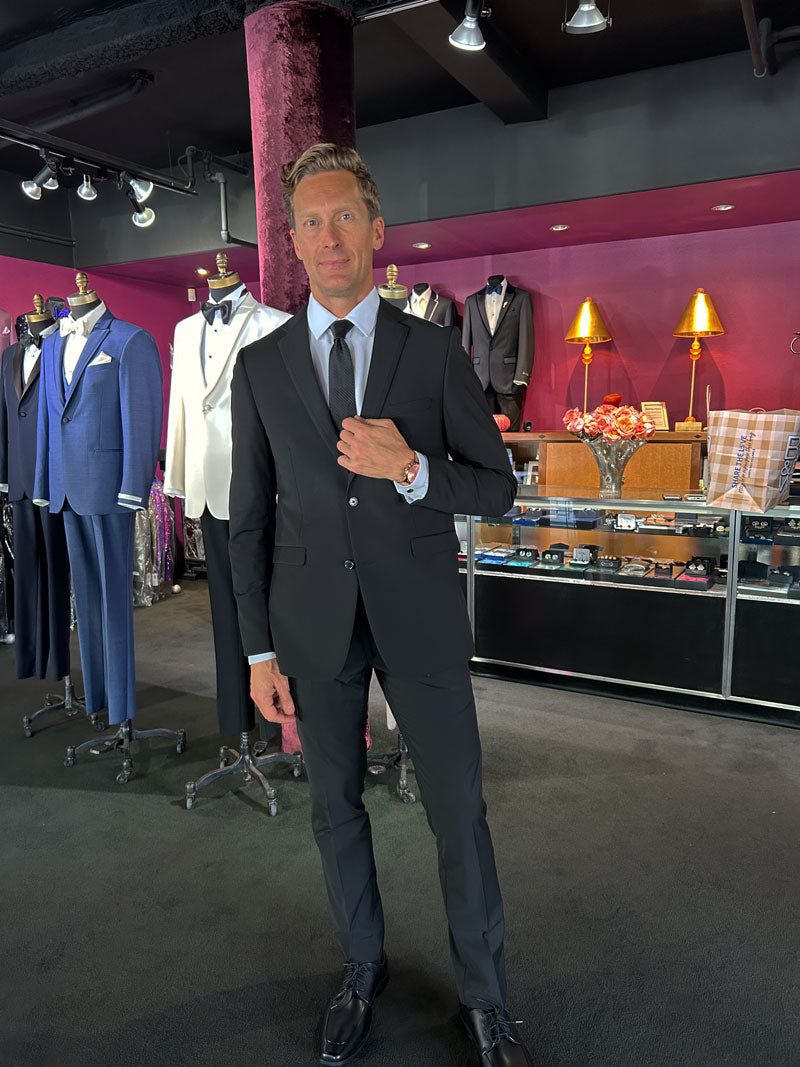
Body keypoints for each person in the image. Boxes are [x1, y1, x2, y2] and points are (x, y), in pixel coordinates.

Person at [228, 143, 533, 1067]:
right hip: (310, 625)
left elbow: (497, 489)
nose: (329, 237)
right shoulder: (262, 367)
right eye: (311, 222)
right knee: (334, 810)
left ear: (376, 226)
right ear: (291, 239)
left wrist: (410, 469)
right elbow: (246, 526)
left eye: (345, 216)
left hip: (421, 618)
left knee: (458, 812)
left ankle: (486, 998)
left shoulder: (432, 349)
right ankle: (363, 968)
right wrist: (255, 653)